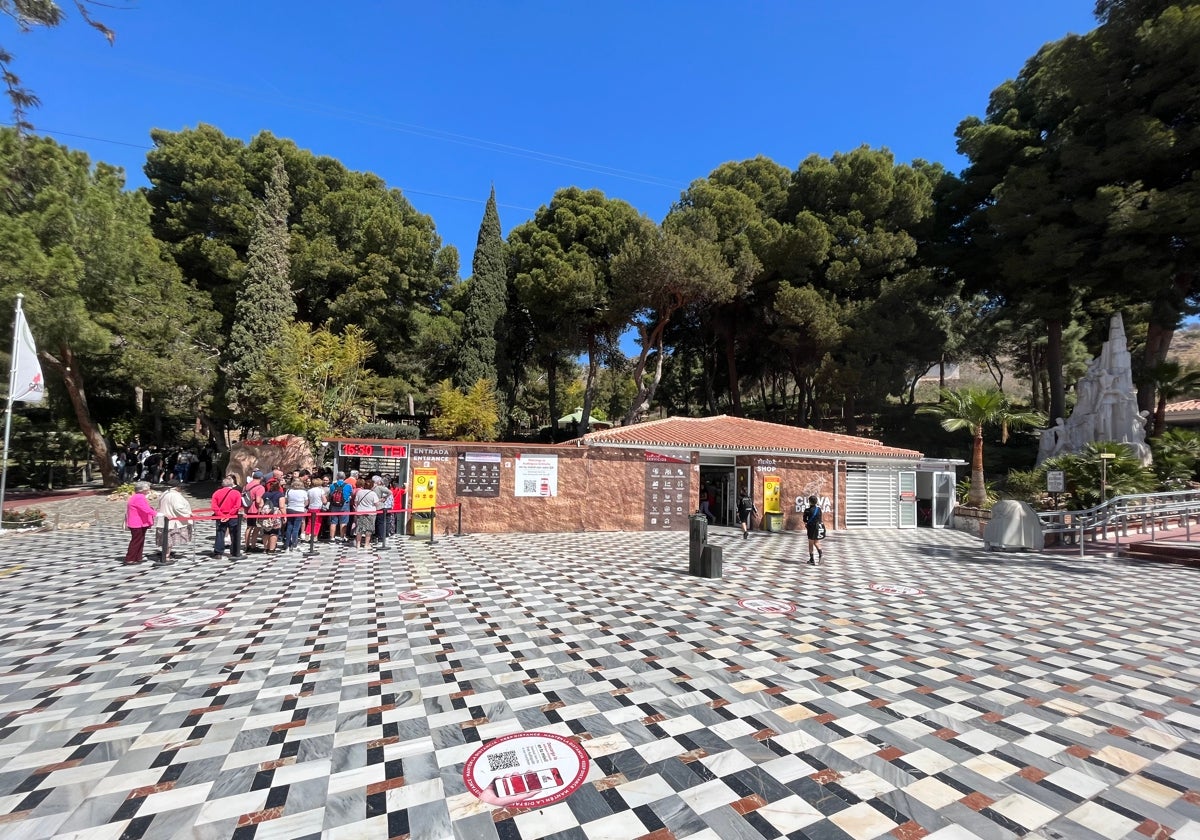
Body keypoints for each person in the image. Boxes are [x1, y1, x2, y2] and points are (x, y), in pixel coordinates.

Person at [155, 480, 194, 563]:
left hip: (165, 519)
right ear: (177, 487)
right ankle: (166, 556)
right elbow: (178, 507)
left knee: (167, 538)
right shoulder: (174, 496)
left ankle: (166, 554)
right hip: (171, 521)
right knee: (169, 539)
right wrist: (188, 514)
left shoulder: (165, 494)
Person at [124, 482, 156, 565]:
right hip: (137, 523)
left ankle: (138, 557)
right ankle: (130, 558)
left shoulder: (137, 496)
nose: (149, 490)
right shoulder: (139, 497)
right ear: (143, 490)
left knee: (140, 540)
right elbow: (145, 509)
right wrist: (156, 514)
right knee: (136, 541)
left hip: (140, 522)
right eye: (147, 488)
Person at [211, 475, 242, 557]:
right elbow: (237, 506)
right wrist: (229, 515)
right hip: (232, 516)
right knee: (234, 533)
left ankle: (218, 552)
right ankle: (235, 551)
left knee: (220, 533)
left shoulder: (216, 493)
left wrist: (221, 515)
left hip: (220, 516)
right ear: (232, 484)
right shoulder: (236, 493)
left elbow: (214, 506)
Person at [283, 479, 309, 552]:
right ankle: (294, 544)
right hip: (299, 510)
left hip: (290, 509)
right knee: (296, 528)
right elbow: (306, 502)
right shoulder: (303, 492)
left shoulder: (289, 491)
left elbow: (286, 500)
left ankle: (287, 545)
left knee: (289, 527)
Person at [352, 477, 377, 551]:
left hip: (360, 511)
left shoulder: (360, 492)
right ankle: (366, 544)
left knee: (359, 528)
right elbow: (376, 503)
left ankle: (358, 544)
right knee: (369, 529)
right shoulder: (373, 493)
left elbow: (356, 502)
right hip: (370, 512)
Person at [328, 471, 353, 543]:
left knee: (333, 522)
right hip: (344, 505)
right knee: (343, 522)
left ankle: (332, 538)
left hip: (334, 505)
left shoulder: (332, 485)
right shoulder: (348, 485)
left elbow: (331, 494)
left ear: (337, 477)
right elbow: (351, 494)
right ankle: (342, 537)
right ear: (344, 477)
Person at [802, 495, 823, 565]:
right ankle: (821, 555)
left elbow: (804, 520)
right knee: (816, 542)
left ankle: (812, 559)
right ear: (816, 501)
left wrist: (806, 523)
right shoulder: (819, 509)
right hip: (818, 527)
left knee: (811, 543)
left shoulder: (807, 510)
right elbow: (820, 519)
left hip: (811, 528)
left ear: (809, 502)